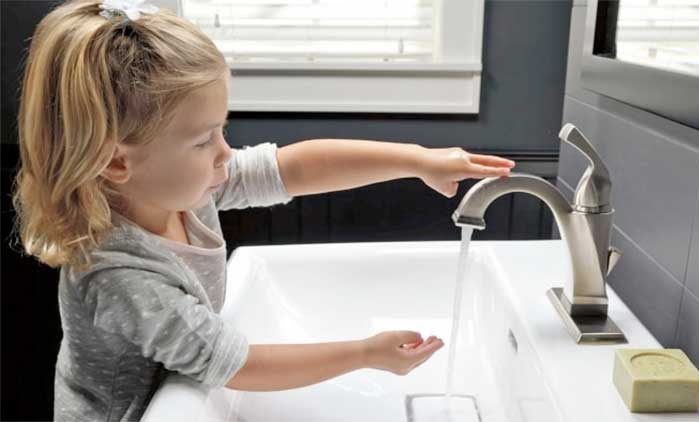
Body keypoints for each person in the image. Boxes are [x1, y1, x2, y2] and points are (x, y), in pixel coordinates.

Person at [10, 0, 516, 420]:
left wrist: (419, 161)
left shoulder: (180, 189)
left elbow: (292, 168)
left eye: (222, 130)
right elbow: (236, 365)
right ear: (117, 162)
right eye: (204, 139)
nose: (225, 154)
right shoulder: (118, 272)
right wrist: (365, 354)